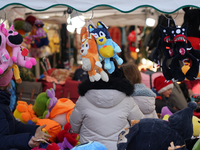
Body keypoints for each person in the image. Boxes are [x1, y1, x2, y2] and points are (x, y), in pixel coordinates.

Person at [69, 65, 144, 150]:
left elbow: (74, 127)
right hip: (119, 147)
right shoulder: (127, 100)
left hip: (90, 147)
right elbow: (140, 124)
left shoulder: (83, 99)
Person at [0, 68, 51, 150]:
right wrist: (27, 140)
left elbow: (12, 125)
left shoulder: (2, 100)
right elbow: (2, 141)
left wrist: (34, 129)